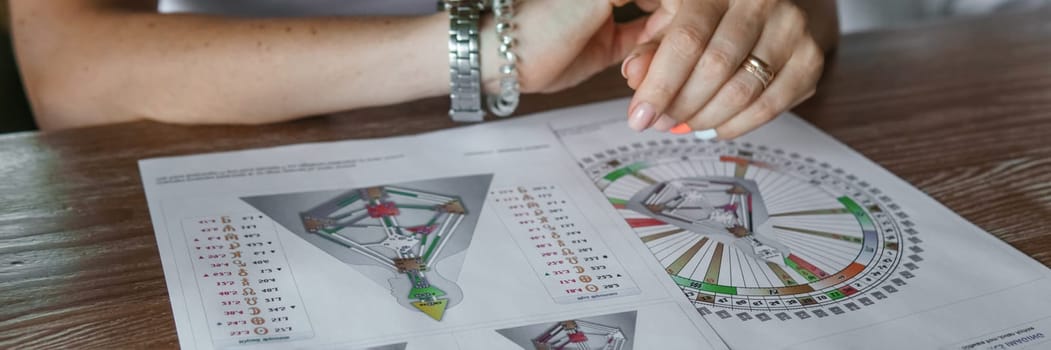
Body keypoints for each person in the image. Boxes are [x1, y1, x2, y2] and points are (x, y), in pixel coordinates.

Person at [10, 0, 837, 139]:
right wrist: (482, 46)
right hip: (225, 149)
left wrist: (749, 26)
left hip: (598, 135)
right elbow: (73, 73)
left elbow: (810, 17)